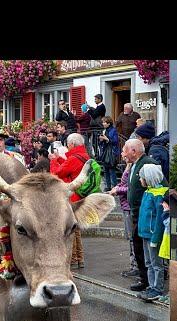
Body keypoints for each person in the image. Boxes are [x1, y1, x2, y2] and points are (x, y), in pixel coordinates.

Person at [49, 133, 91, 268]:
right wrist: (60, 160)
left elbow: (57, 173)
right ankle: (80, 258)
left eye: (68, 143)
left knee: (70, 229)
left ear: (71, 144)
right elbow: (68, 169)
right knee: (76, 229)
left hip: (72, 197)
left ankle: (73, 258)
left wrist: (54, 160)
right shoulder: (84, 155)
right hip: (80, 195)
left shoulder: (74, 158)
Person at [125, 139, 160, 292]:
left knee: (143, 249)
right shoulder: (134, 164)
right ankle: (145, 279)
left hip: (144, 214)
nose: (123, 153)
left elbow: (161, 183)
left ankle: (148, 282)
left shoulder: (147, 163)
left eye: (125, 150)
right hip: (137, 212)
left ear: (134, 151)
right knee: (139, 247)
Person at [137, 163, 168, 301]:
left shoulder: (159, 195)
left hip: (152, 235)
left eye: (142, 177)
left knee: (157, 264)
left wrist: (156, 238)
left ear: (149, 178)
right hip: (145, 234)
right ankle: (151, 286)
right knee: (149, 262)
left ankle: (158, 289)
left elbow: (158, 220)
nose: (140, 180)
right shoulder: (147, 192)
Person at [109, 161, 138, 278]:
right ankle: (134, 265)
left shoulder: (134, 168)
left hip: (129, 207)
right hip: (126, 206)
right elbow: (125, 184)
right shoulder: (130, 166)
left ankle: (135, 266)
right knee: (130, 238)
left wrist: (118, 190)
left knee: (132, 238)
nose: (122, 154)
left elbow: (131, 187)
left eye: (124, 151)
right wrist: (117, 187)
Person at [98, 116, 120, 191]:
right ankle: (108, 186)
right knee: (105, 170)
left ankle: (115, 187)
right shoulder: (104, 131)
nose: (103, 123)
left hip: (112, 153)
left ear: (109, 123)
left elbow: (115, 141)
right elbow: (101, 143)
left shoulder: (113, 130)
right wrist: (101, 140)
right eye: (103, 122)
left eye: (104, 122)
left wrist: (106, 139)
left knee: (112, 170)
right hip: (105, 152)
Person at [86, 94, 106, 158]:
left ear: (100, 99)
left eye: (96, 99)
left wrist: (88, 110)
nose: (95, 100)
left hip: (98, 127)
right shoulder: (98, 106)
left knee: (97, 143)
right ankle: (97, 155)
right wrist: (90, 108)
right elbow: (95, 111)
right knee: (94, 143)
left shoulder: (101, 106)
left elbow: (94, 115)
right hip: (96, 127)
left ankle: (99, 156)